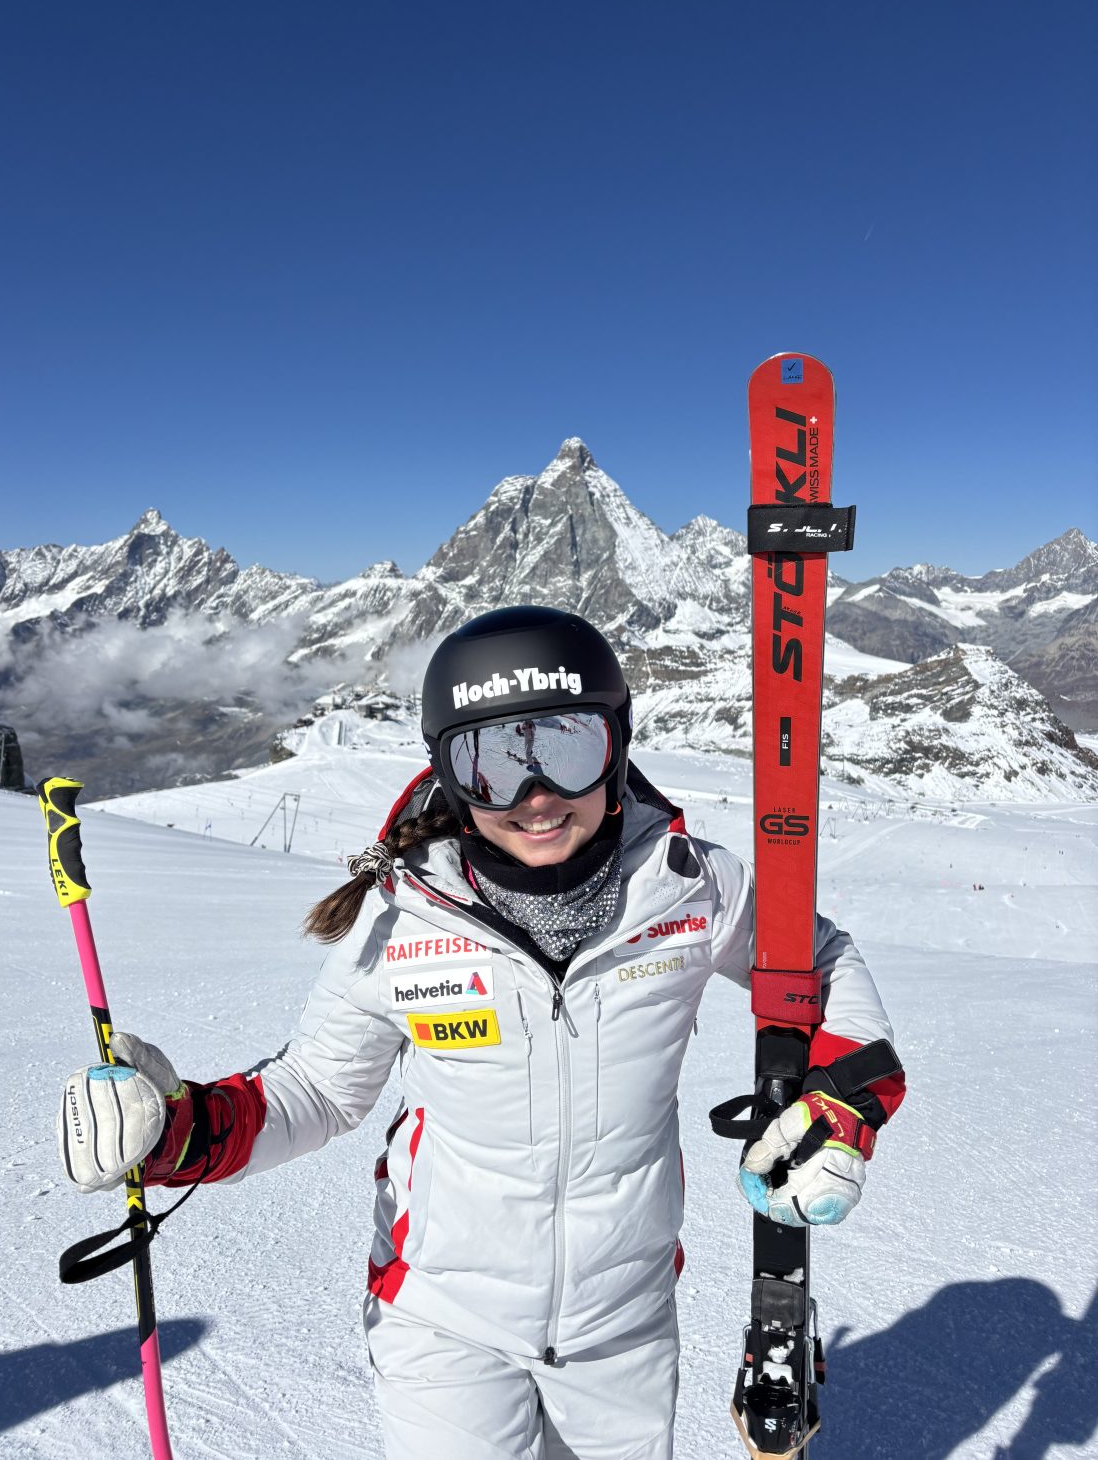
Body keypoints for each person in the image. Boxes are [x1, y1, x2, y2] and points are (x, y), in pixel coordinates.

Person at [58, 606, 905, 1460]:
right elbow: (316, 1090)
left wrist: (842, 1105)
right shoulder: (402, 916)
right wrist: (180, 1131)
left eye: (568, 748)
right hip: (441, 1319)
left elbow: (818, 963)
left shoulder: (690, 887)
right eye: (491, 762)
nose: (535, 797)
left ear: (617, 746)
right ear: (449, 773)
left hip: (623, 1324)